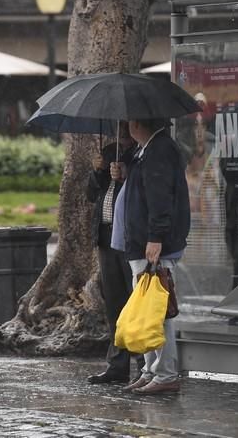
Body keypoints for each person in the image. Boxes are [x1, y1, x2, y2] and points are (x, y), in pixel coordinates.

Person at [110, 118, 190, 395]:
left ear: (137, 124)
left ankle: (166, 372)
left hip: (153, 246)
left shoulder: (159, 150)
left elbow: (160, 199)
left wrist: (155, 237)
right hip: (140, 244)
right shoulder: (144, 151)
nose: (127, 127)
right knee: (147, 309)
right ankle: (150, 369)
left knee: (157, 311)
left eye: (130, 121)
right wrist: (125, 172)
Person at [85, 122, 144, 384]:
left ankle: (145, 363)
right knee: (114, 302)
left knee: (136, 300)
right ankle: (117, 363)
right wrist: (98, 171)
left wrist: (126, 174)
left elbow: (144, 189)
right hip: (106, 235)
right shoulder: (110, 152)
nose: (121, 133)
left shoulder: (141, 154)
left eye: (126, 127)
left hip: (129, 236)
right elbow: (91, 193)